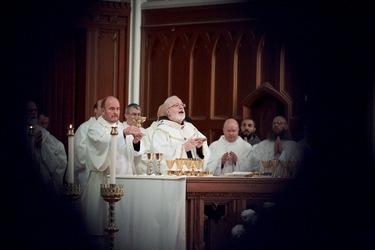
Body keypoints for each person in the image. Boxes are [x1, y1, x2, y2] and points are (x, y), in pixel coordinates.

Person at [80, 96, 144, 247]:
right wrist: (123, 134)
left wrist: (135, 142)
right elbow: (101, 144)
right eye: (111, 109)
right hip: (103, 182)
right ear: (102, 111)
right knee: (101, 230)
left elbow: (131, 154)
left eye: (118, 109)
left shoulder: (122, 127)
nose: (116, 112)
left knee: (123, 230)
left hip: (124, 183)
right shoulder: (95, 128)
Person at [151, 95, 210, 171]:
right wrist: (183, 148)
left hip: (193, 176)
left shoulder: (191, 128)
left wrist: (199, 148)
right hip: (174, 179)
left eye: (182, 105)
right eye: (176, 105)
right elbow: (159, 157)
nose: (181, 107)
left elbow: (204, 151)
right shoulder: (162, 131)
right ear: (168, 111)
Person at [25, 100, 67, 195]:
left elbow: (56, 159)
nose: (34, 113)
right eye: (30, 110)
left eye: (35, 110)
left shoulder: (43, 133)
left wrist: (42, 148)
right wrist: (31, 143)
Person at [74, 99, 103, 185]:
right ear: (95, 110)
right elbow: (80, 153)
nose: (103, 111)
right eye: (101, 107)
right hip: (87, 173)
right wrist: (100, 156)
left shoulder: (111, 128)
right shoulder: (84, 128)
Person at [122, 103, 148, 175]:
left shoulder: (144, 131)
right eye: (134, 114)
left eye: (138, 114)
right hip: (125, 167)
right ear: (126, 115)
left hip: (140, 168)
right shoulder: (122, 130)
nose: (137, 117)